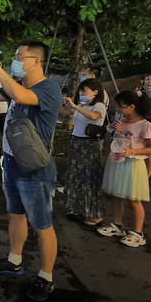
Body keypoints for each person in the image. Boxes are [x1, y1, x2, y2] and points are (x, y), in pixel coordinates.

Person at [0, 41, 62, 302]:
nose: (16, 59)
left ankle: (46, 277)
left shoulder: (48, 89)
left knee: (42, 225)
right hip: (13, 163)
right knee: (15, 214)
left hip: (36, 168)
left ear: (36, 61)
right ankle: (15, 260)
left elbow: (20, 97)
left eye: (19, 56)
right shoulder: (18, 87)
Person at [97, 91, 151, 248]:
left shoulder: (145, 125)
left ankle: (137, 233)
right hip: (116, 162)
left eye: (120, 106)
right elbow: (109, 142)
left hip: (132, 164)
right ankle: (117, 225)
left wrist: (132, 152)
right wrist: (110, 129)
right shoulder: (120, 121)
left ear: (132, 107)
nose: (118, 109)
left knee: (134, 199)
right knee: (117, 195)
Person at [60, 79, 107, 227]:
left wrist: (74, 106)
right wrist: (61, 103)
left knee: (89, 179)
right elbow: (64, 112)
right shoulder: (82, 104)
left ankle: (95, 214)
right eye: (80, 90)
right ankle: (78, 209)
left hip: (89, 144)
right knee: (77, 177)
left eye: (84, 90)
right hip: (77, 142)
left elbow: (95, 117)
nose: (81, 93)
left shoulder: (98, 105)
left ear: (95, 92)